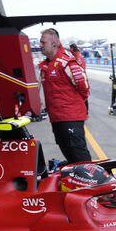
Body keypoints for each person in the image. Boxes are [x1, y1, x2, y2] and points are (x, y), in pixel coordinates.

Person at [38, 28, 92, 163]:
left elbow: (83, 86)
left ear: (54, 43)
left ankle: (91, 182)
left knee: (78, 153)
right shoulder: (46, 65)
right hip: (56, 117)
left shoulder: (67, 62)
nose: (40, 45)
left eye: (43, 42)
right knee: (68, 152)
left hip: (70, 117)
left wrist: (74, 104)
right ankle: (77, 181)